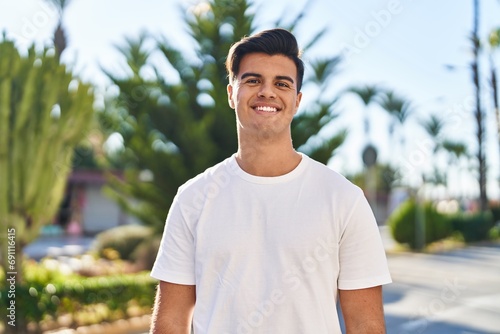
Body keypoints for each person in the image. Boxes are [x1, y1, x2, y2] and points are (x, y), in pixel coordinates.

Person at [149, 28, 392, 334]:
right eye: (252, 80)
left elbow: (365, 325)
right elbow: (170, 323)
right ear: (231, 93)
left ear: (297, 100)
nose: (267, 92)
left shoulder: (343, 198)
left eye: (282, 83)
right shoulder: (193, 197)